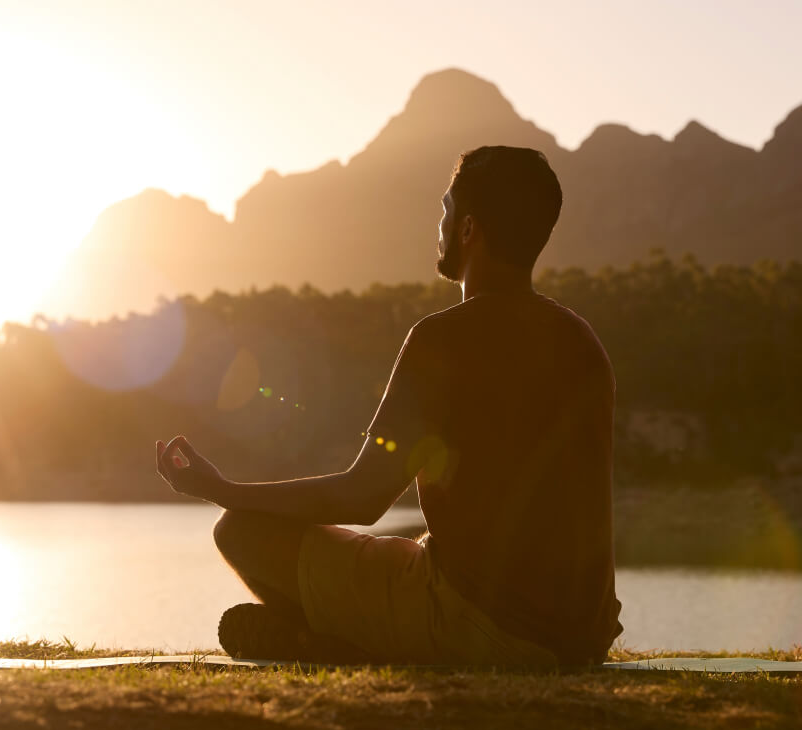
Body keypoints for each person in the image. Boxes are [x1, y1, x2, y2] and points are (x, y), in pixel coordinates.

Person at [155, 146, 623, 668]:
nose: (439, 225)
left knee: (240, 529)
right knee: (408, 556)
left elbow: (362, 496)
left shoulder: (443, 340)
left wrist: (222, 491)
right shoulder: (582, 342)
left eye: (445, 211)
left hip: (483, 629)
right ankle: (341, 636)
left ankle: (338, 649)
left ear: (468, 230)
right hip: (583, 638)